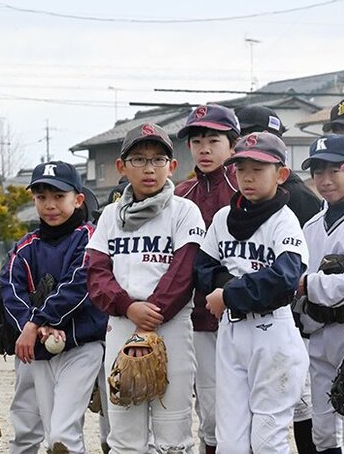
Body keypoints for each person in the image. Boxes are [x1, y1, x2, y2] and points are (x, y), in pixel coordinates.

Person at [86, 123, 205, 453]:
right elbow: (96, 271)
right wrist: (127, 307)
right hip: (122, 323)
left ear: (173, 166)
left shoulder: (184, 211)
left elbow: (184, 270)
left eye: (158, 159)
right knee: (124, 436)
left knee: (174, 435)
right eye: (138, 159)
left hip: (170, 325)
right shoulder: (110, 215)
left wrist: (147, 318)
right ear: (121, 167)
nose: (149, 168)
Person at [195, 131, 310, 453]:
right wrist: (228, 289)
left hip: (272, 331)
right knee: (230, 441)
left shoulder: (284, 220)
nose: (247, 177)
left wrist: (229, 294)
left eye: (258, 169)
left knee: (266, 439)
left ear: (281, 174)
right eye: (241, 168)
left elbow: (285, 277)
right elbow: (203, 267)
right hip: (232, 330)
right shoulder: (222, 218)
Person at [0, 161, 107, 453]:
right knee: (52, 433)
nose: (50, 205)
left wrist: (37, 322)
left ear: (78, 199)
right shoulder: (25, 246)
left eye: (59, 196)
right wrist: (30, 326)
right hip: (42, 351)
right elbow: (10, 289)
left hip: (83, 346)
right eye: (42, 197)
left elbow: (79, 283)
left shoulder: (90, 237)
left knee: (62, 432)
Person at [236, 104, 322, 453]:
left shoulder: (298, 198)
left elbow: (300, 269)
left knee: (295, 406)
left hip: (290, 313)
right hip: (245, 316)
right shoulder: (241, 196)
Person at [174, 104, 240, 454]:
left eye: (214, 139)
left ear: (233, 143)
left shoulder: (246, 190)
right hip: (197, 319)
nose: (204, 148)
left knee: (250, 410)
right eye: (196, 140)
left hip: (244, 314)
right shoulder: (179, 196)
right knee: (210, 412)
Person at [296, 135, 344, 454]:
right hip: (318, 334)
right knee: (322, 429)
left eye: (334, 171)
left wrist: (309, 284)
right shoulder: (310, 226)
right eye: (318, 172)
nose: (325, 180)